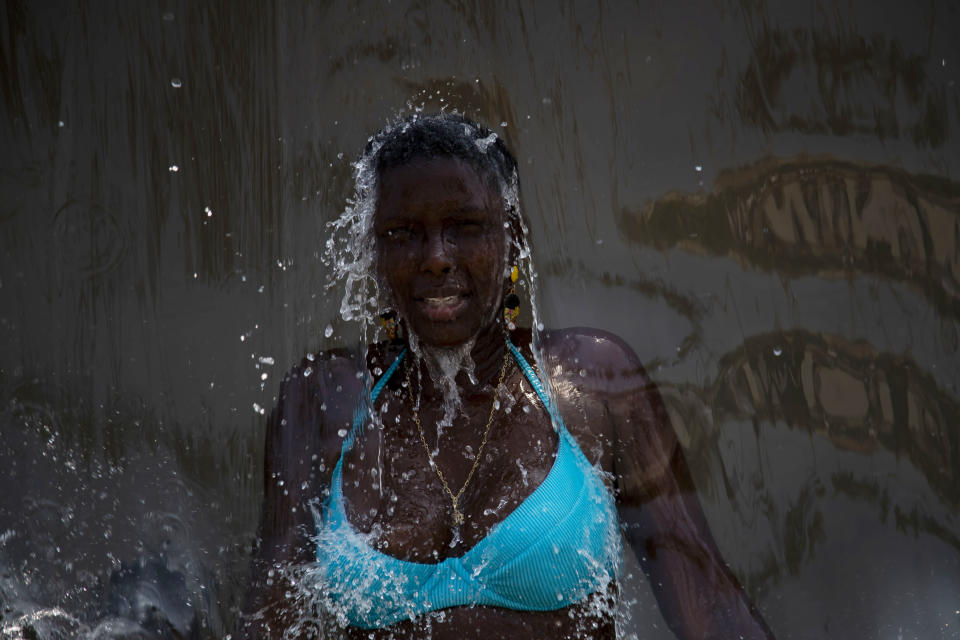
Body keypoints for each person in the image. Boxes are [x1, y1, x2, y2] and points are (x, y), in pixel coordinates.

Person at [241, 113, 774, 639]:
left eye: (465, 227)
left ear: (514, 240)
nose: (436, 258)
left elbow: (708, 601)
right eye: (403, 233)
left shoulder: (593, 383)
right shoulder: (322, 398)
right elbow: (270, 619)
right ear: (372, 252)